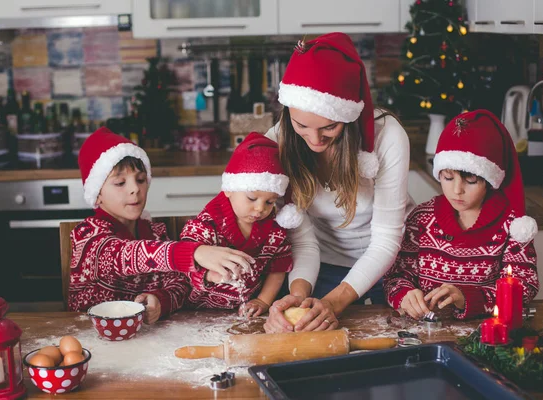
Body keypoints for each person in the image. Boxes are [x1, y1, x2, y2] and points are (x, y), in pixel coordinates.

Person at [263, 32, 412, 333]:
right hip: (320, 264)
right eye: (302, 125)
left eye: (329, 127)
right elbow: (302, 238)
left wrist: (336, 302)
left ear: (347, 115)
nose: (315, 140)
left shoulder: (388, 137)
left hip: (393, 265)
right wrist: (298, 297)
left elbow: (386, 240)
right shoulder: (276, 143)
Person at [68, 127, 253, 324]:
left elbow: (179, 284)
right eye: (120, 183)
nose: (135, 189)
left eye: (140, 180)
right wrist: (194, 253)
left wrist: (160, 300)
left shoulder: (155, 233)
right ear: (97, 193)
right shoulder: (88, 234)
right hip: (88, 334)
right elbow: (123, 255)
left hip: (145, 338)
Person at [384, 109, 540, 320]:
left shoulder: (512, 226)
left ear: (490, 180)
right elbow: (396, 275)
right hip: (425, 330)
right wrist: (404, 294)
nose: (457, 190)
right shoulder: (421, 218)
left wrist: (467, 298)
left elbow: (524, 286)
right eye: (448, 178)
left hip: (484, 332)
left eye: (471, 181)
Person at [179, 132, 298, 316]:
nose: (260, 209)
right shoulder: (205, 226)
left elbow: (278, 269)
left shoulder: (274, 232)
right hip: (195, 312)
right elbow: (184, 263)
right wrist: (210, 275)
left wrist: (263, 301)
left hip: (244, 311)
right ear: (228, 190)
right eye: (252, 198)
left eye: (269, 202)